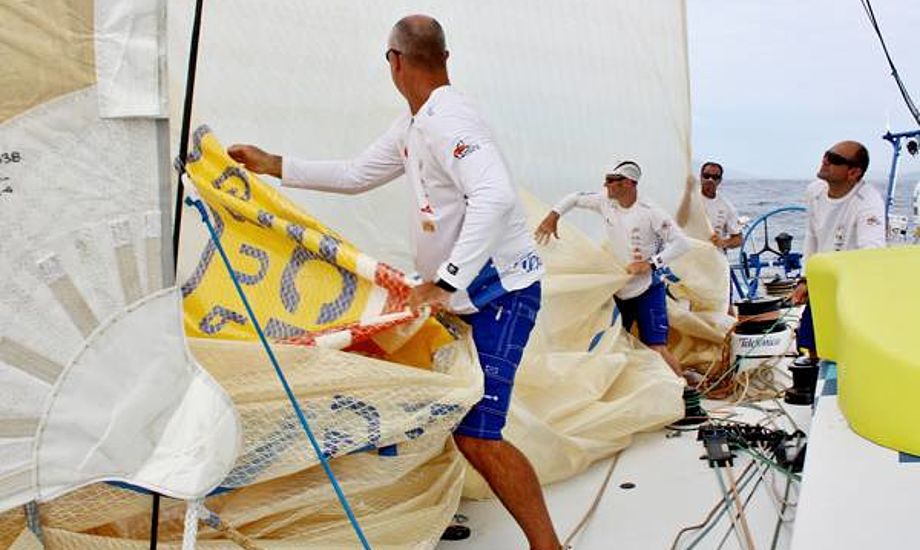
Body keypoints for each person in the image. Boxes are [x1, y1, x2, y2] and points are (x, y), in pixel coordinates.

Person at [227, 15, 561, 550]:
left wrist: (445, 281)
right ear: (444, 59)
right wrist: (275, 164)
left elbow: (495, 197)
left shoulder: (450, 120)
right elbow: (358, 173)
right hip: (466, 293)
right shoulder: (415, 123)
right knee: (441, 404)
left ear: (394, 62)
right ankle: (436, 505)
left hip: (501, 293)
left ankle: (549, 546)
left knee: (478, 433)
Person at [534, 161, 700, 388]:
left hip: (647, 288)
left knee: (656, 347)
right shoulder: (605, 202)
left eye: (611, 180)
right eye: (606, 179)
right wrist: (553, 217)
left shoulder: (650, 212)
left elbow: (681, 244)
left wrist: (651, 264)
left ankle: (686, 394)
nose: (606, 184)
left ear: (629, 183)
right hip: (620, 288)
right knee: (612, 343)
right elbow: (573, 198)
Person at [790, 141, 885, 358]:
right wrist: (805, 279)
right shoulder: (814, 191)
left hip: (852, 288)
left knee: (847, 353)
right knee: (812, 346)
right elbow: (812, 237)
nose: (825, 160)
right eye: (827, 154)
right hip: (822, 283)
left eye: (835, 159)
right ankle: (815, 386)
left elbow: (872, 251)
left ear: (853, 172)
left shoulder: (868, 202)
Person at [699, 162, 742, 251]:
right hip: (686, 256)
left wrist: (723, 243)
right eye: (706, 176)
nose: (710, 180)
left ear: (720, 180)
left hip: (713, 256)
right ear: (700, 176)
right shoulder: (687, 198)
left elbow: (738, 239)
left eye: (715, 177)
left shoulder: (726, 206)